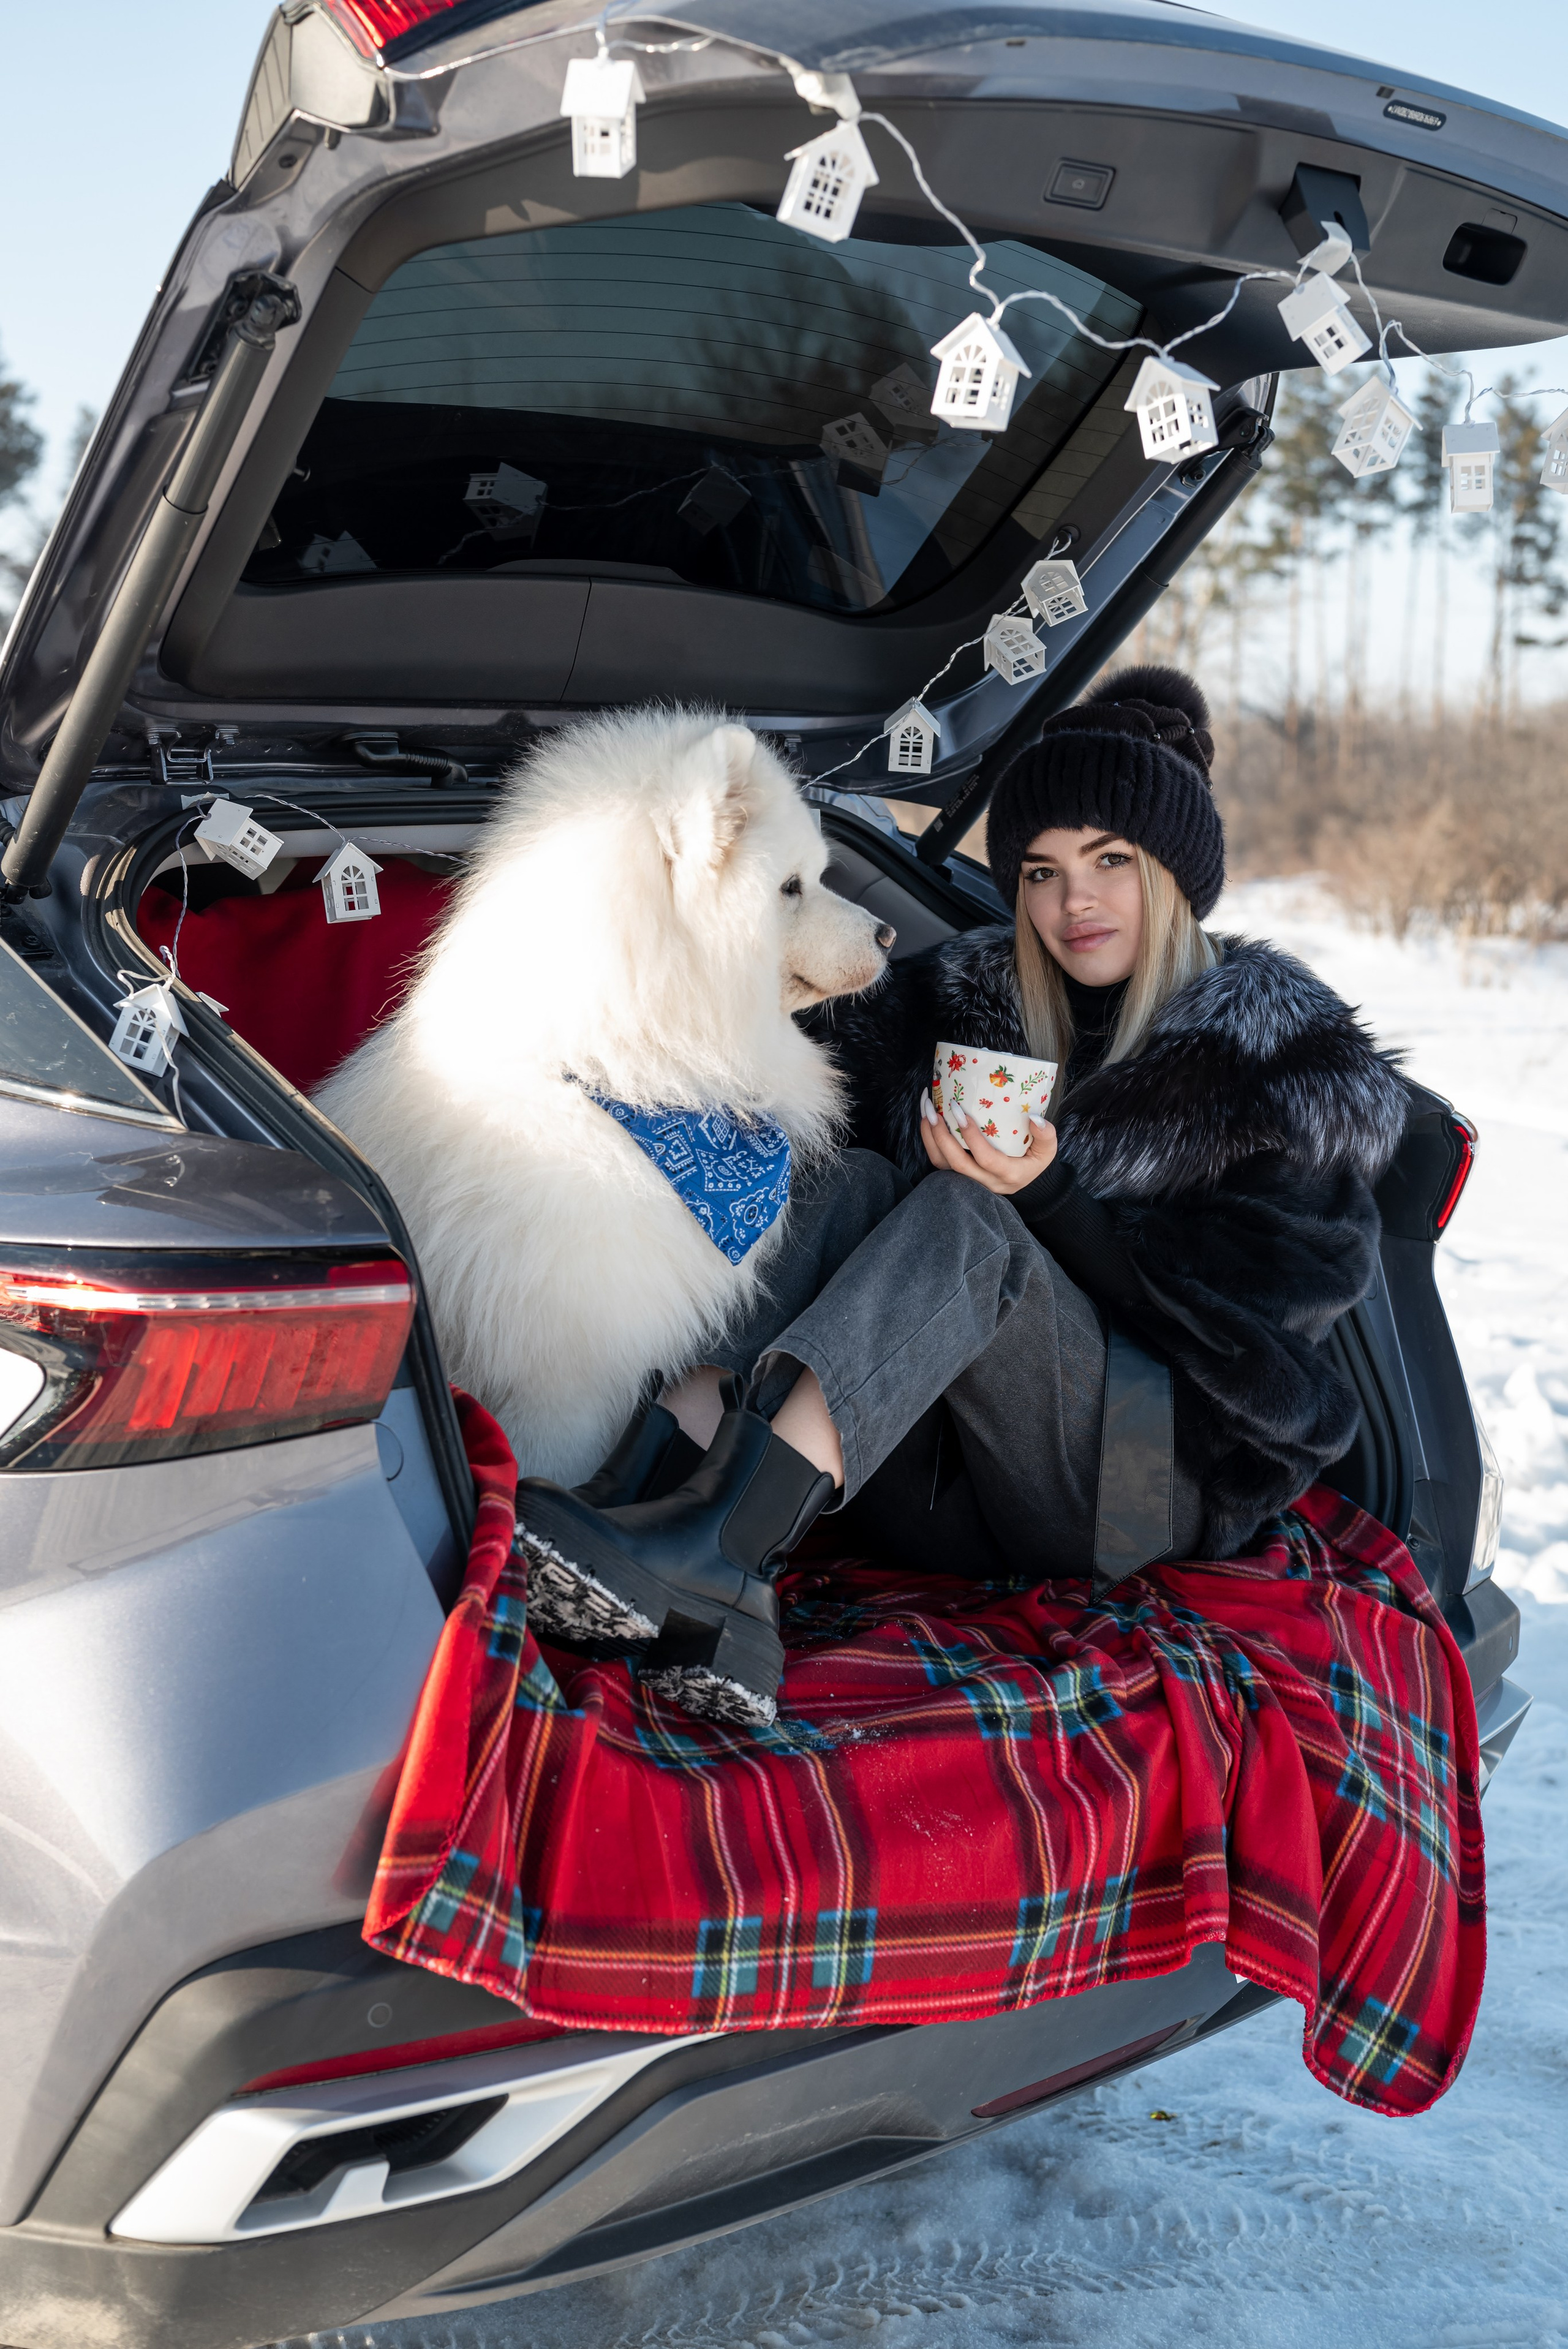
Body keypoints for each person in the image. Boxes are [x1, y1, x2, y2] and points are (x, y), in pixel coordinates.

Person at [516, 666, 1409, 1725]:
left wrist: (1051, 1198)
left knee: (969, 1218)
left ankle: (722, 1556)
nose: (1073, 902)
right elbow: (771, 1045)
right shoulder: (962, 998)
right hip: (939, 1478)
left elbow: (1257, 1361)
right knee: (852, 1182)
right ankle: (635, 1502)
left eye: (1111, 861)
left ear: (1171, 870)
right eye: (1041, 871)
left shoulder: (1276, 1066)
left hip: (1137, 1490)